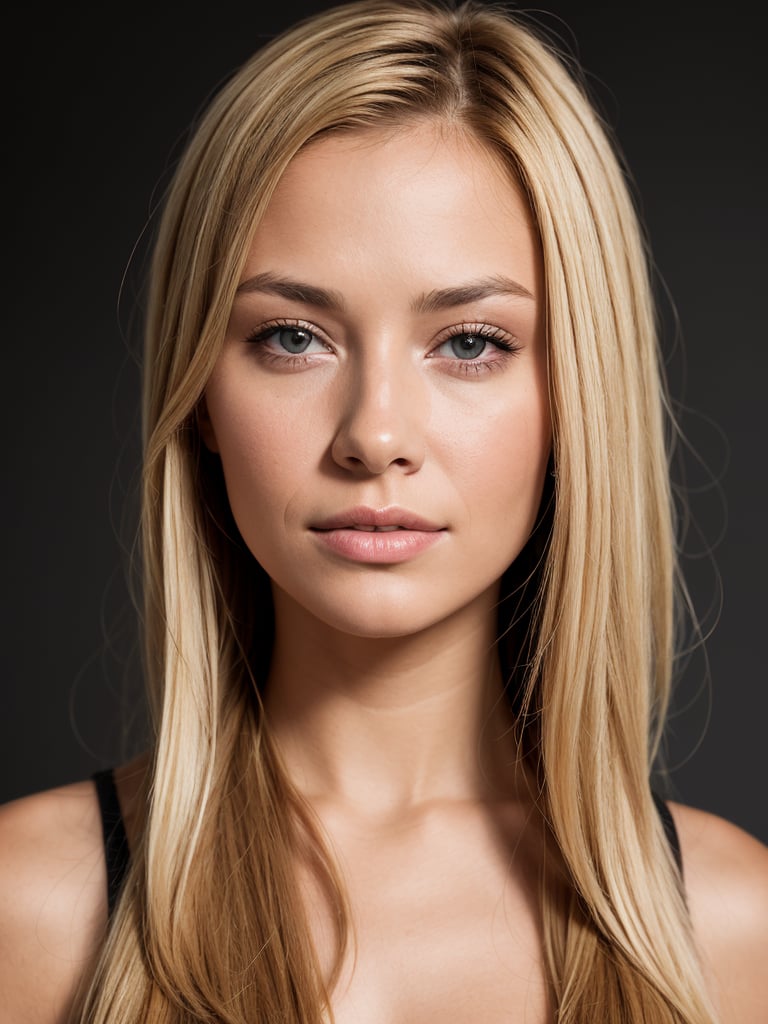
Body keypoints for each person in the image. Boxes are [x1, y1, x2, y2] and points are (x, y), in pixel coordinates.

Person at [1, 0, 766, 1021]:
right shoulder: (31, 911)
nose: (373, 433)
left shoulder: (731, 931)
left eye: (469, 342)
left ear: (578, 394)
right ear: (200, 396)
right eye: (292, 336)